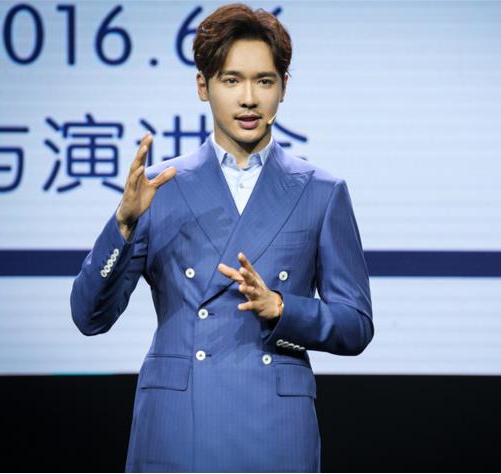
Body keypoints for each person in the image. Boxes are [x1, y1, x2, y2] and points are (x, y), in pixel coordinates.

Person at [70, 3, 373, 472]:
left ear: (284, 87)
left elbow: (355, 324)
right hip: (178, 421)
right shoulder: (158, 188)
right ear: (203, 86)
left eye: (264, 81)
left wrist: (283, 308)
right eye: (231, 80)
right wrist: (122, 226)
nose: (248, 98)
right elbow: (89, 317)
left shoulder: (321, 192)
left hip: (275, 424)